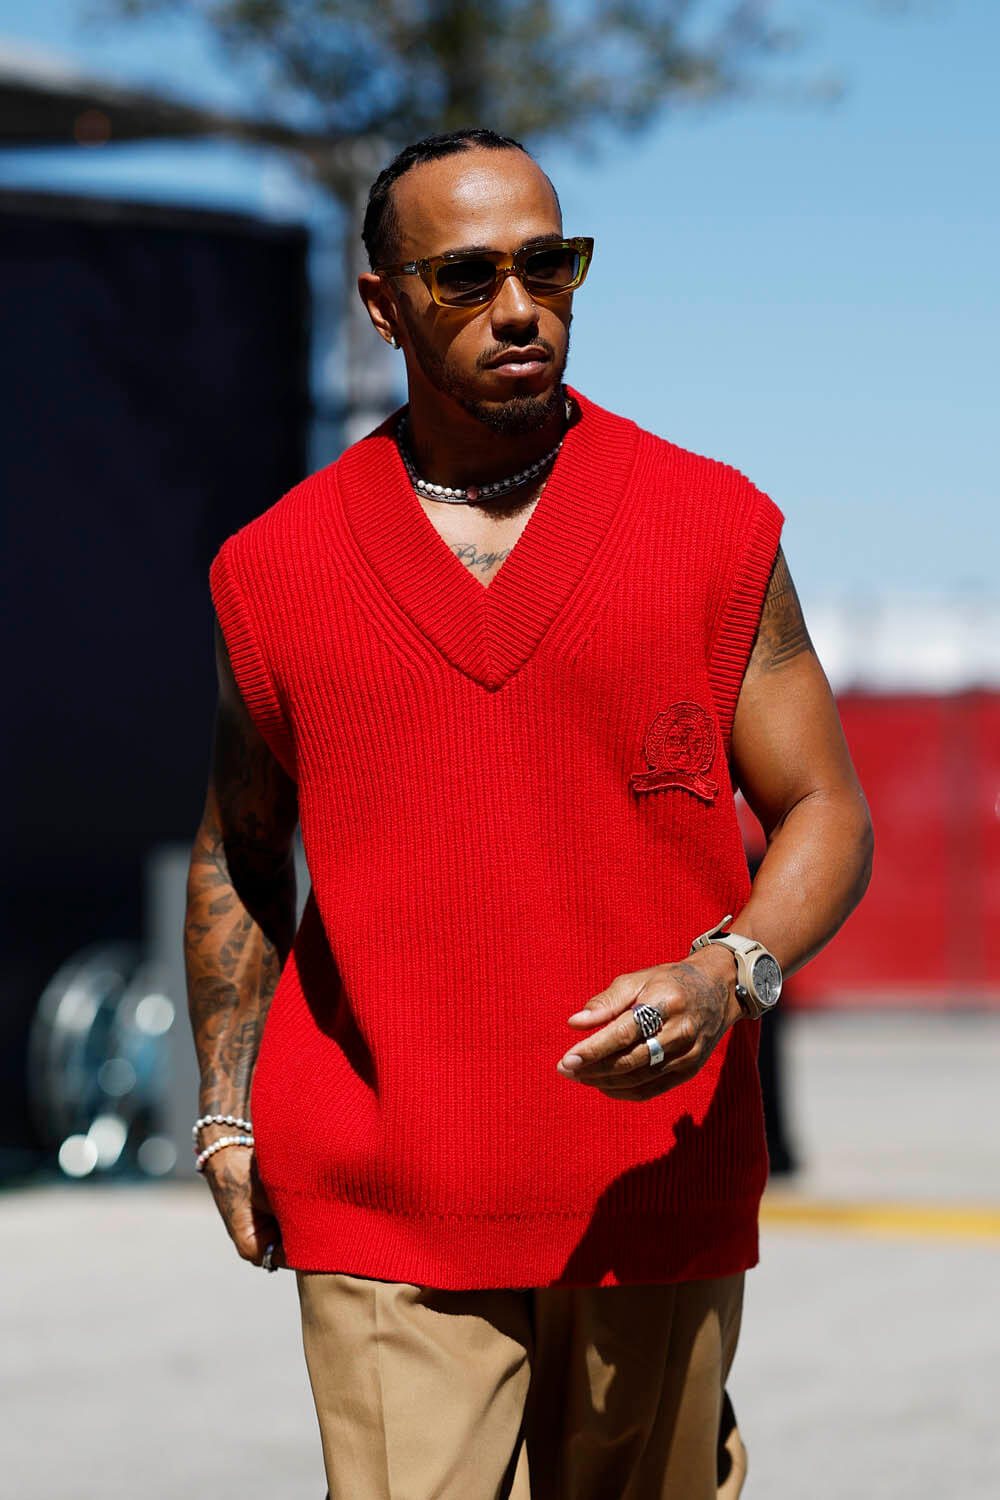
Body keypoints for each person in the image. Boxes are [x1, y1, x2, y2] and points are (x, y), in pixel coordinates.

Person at [185, 128, 873, 1500]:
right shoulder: (275, 570)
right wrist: (224, 1113)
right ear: (382, 305)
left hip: (650, 1184)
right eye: (466, 277)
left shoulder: (711, 526)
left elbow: (825, 812)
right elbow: (241, 846)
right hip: (382, 1198)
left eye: (548, 266)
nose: (519, 307)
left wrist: (727, 973)